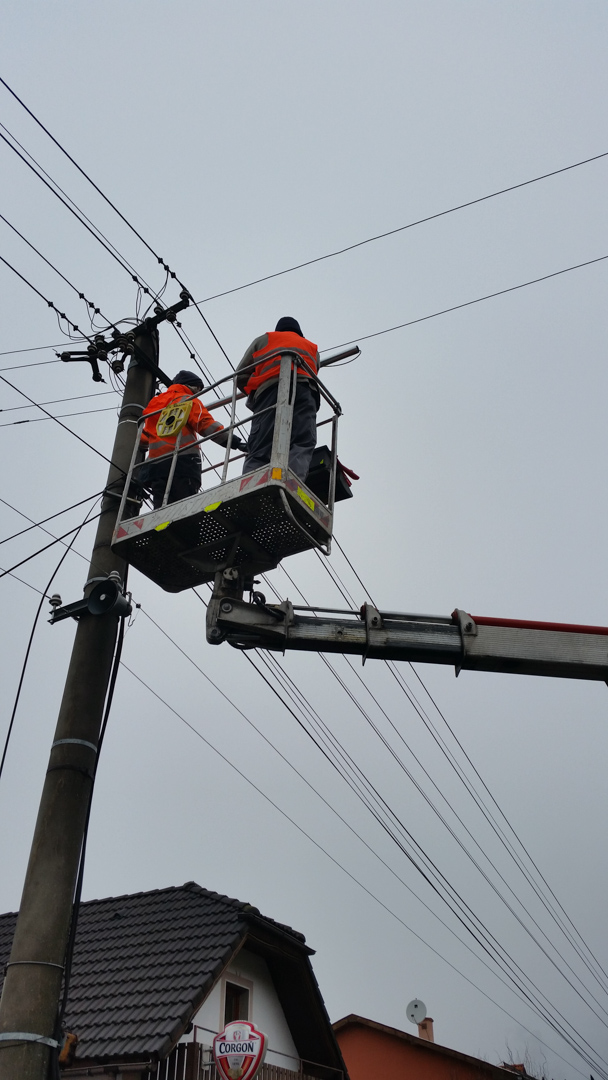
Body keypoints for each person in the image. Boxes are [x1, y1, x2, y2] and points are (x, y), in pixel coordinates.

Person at [138, 370, 246, 508]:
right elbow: (205, 425)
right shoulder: (187, 399)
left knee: (161, 508)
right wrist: (234, 442)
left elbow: (143, 438)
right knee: (184, 507)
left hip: (156, 467)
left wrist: (145, 446)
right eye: (199, 389)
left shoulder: (154, 404)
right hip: (183, 461)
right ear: (194, 387)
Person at [236, 317, 320, 480]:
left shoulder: (264, 340)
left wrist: (255, 392)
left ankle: (252, 482)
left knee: (261, 446)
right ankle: (291, 480)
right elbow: (314, 371)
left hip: (268, 393)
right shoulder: (312, 348)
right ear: (299, 332)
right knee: (302, 441)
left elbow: (240, 375)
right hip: (305, 393)